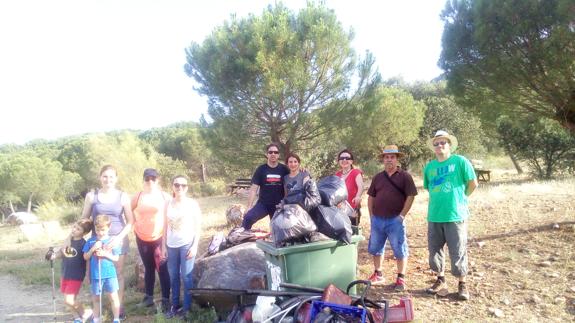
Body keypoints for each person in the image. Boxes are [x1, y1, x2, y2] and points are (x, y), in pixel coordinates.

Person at [423, 130, 478, 301]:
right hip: (434, 215)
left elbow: (473, 183)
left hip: (455, 215)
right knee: (435, 251)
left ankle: (462, 284)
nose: (440, 146)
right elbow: (428, 187)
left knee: (458, 250)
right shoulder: (429, 167)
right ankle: (440, 280)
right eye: (436, 143)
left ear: (449, 145)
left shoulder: (460, 161)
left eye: (443, 143)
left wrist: (461, 198)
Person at [81, 164, 134, 318]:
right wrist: (75, 236)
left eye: (111, 176)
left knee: (117, 273)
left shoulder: (123, 196)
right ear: (100, 177)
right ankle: (97, 310)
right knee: (95, 274)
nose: (108, 179)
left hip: (118, 239)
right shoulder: (92, 196)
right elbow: (84, 219)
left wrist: (118, 238)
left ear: (116, 178)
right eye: (105, 176)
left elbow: (130, 221)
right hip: (96, 241)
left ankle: (118, 308)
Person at [366, 145, 417, 291]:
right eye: (386, 157)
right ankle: (378, 273)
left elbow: (411, 196)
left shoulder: (405, 176)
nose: (389, 160)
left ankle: (401, 278)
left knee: (400, 249)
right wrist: (371, 216)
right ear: (383, 159)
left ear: (397, 159)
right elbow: (371, 197)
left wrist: (402, 216)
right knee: (376, 248)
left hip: (395, 220)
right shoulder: (378, 177)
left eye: (392, 157)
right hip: (377, 220)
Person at [131, 168, 171, 310]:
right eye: (147, 179)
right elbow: (128, 211)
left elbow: (172, 214)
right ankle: (148, 298)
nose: (150, 181)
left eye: (153, 178)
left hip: (159, 237)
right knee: (148, 268)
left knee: (162, 268)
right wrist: (133, 224)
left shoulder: (164, 196)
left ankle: (166, 299)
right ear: (143, 180)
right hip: (141, 237)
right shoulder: (138, 196)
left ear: (157, 180)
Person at [165, 175, 202, 319]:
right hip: (170, 245)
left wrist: (195, 246)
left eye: (183, 185)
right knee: (173, 276)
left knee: (186, 277)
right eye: (176, 184)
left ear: (187, 188)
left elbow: (198, 226)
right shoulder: (167, 204)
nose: (180, 187)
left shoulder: (192, 204)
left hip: (186, 244)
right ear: (172, 186)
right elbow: (164, 226)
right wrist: (163, 246)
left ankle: (187, 309)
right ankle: (175, 306)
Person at [47, 219, 93, 323]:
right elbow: (61, 253)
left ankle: (86, 313)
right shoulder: (68, 241)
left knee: (69, 300)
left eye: (78, 229)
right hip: (65, 273)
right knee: (69, 300)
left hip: (76, 276)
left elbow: (87, 260)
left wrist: (87, 274)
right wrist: (53, 256)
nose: (74, 230)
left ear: (84, 233)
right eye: (74, 227)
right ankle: (77, 318)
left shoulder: (83, 244)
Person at [83, 214, 122, 323]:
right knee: (96, 298)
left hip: (110, 274)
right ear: (95, 228)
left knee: (113, 297)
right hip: (96, 275)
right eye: (97, 229)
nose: (100, 232)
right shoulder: (91, 241)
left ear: (109, 228)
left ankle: (116, 319)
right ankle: (96, 319)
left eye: (103, 230)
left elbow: (116, 258)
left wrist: (105, 254)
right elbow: (85, 256)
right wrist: (93, 249)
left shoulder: (112, 241)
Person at [241, 143, 289, 230]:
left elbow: (295, 173)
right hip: (263, 204)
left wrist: (302, 170)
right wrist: (249, 206)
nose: (273, 154)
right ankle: (241, 238)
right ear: (267, 154)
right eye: (270, 152)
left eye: (275, 152)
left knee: (278, 231)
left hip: (279, 206)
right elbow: (253, 190)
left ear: (278, 155)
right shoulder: (261, 169)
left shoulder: (284, 169)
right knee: (248, 218)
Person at [335, 149, 364, 225]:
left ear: (351, 161)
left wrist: (358, 196)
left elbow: (361, 186)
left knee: (352, 234)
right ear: (339, 161)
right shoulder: (337, 175)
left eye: (347, 158)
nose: (344, 160)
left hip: (352, 210)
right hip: (339, 210)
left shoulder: (355, 172)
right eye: (341, 158)